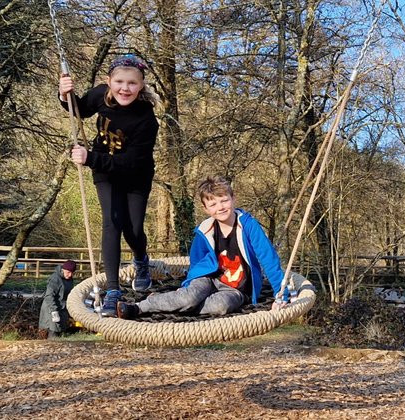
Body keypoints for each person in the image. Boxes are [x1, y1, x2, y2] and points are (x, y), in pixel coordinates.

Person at [59, 54, 160, 317]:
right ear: (109, 81)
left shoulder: (146, 119)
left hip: (136, 175)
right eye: (119, 82)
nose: (124, 88)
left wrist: (90, 157)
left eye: (131, 83)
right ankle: (113, 289)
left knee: (134, 228)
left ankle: (141, 260)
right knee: (112, 222)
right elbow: (78, 109)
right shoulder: (101, 95)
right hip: (105, 172)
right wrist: (64, 95)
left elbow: (130, 161)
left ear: (141, 86)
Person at [116, 175, 289, 320]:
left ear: (233, 199)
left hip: (236, 288)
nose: (220, 207)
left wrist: (281, 295)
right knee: (190, 297)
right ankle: (140, 307)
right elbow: (197, 262)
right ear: (206, 209)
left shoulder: (249, 226)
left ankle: (165, 302)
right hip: (208, 278)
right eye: (213, 204)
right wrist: (190, 284)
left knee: (221, 306)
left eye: (224, 201)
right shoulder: (205, 231)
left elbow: (269, 259)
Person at [38, 259, 77, 338]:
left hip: (62, 309)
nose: (70, 275)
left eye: (72, 273)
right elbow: (49, 296)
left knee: (61, 333)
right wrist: (54, 311)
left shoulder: (70, 279)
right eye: (68, 272)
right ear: (63, 270)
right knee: (54, 333)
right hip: (51, 309)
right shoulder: (55, 279)